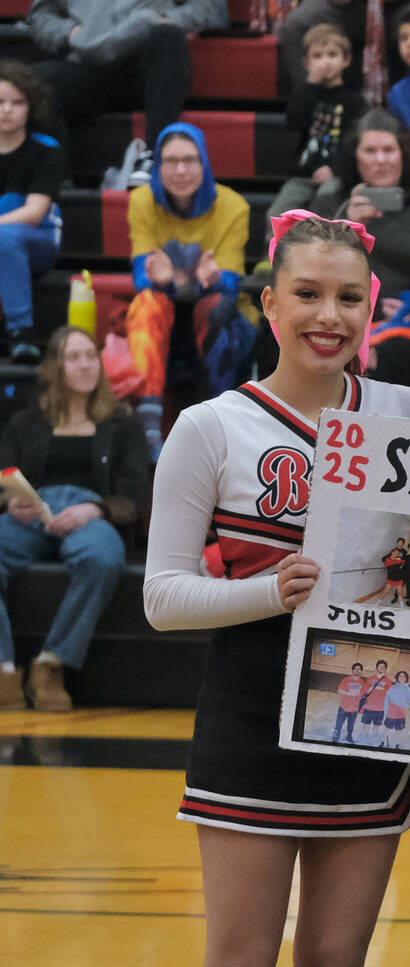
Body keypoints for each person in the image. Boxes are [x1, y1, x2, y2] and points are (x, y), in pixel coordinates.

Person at [139, 212, 410, 967]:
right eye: (307, 295)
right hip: (251, 725)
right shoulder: (212, 428)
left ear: (373, 310)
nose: (328, 316)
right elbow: (164, 596)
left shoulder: (403, 413)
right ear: (269, 304)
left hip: (376, 725)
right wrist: (269, 590)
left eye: (349, 299)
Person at [0, 324, 149, 712]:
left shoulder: (123, 423)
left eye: (91, 356)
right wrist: (9, 503)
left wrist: (95, 509)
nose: (85, 365)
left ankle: (52, 663)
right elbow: (4, 474)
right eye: (73, 357)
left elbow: (136, 493)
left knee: (103, 558)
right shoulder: (24, 422)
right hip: (31, 513)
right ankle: (3, 669)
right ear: (54, 368)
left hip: (91, 513)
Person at [310, 110, 410, 402]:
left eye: (388, 150)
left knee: (394, 356)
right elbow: (307, 266)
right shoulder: (332, 205)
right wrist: (347, 226)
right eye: (370, 151)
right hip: (337, 318)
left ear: (403, 155)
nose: (380, 160)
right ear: (355, 158)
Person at [125, 122, 253, 457]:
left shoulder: (233, 205)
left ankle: (220, 424)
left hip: (218, 320)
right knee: (147, 303)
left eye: (190, 160)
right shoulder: (141, 201)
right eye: (170, 161)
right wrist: (166, 281)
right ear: (158, 166)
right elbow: (143, 277)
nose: (180, 170)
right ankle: (150, 431)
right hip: (167, 318)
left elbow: (231, 282)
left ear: (205, 163)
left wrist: (205, 280)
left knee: (214, 306)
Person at [26, 0, 215, 153]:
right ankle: (53, 176)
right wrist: (68, 32)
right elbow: (40, 15)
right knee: (38, 80)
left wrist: (167, 20)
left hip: (148, 67)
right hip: (87, 65)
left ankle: (156, 156)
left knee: (168, 37)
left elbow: (203, 6)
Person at [0, 62, 66, 364]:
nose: (7, 110)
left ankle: (20, 332)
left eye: (17, 102)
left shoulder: (46, 149)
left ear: (30, 106)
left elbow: (35, 213)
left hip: (37, 240)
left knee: (5, 236)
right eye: (0, 102)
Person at [286, 25, 366, 195]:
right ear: (307, 63)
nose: (325, 61)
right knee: (279, 210)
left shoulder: (354, 100)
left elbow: (354, 143)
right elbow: (295, 122)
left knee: (325, 200)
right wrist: (311, 83)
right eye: (317, 56)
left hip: (337, 175)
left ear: (346, 59)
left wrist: (334, 168)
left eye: (332, 54)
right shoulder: (303, 94)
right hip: (303, 175)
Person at [331, 660, 367, 741]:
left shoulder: (362, 682)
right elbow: (339, 691)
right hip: (344, 707)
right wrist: (350, 693)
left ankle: (349, 737)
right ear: (352, 670)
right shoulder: (346, 680)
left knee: (351, 726)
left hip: (354, 709)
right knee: (338, 725)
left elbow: (364, 694)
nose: (357, 670)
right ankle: (335, 739)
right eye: (355, 668)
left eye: (359, 669)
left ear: (361, 671)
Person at [359, 656, 392, 735]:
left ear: (385, 669)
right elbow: (365, 691)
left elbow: (390, 696)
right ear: (376, 668)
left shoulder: (388, 681)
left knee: (376, 727)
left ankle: (373, 742)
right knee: (365, 726)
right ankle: (362, 741)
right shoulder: (370, 678)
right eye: (379, 666)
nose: (381, 668)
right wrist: (368, 690)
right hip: (369, 707)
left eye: (383, 667)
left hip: (380, 709)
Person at [384, 670, 410, 747]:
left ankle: (397, 745)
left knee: (398, 731)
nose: (402, 677)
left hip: (401, 714)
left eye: (404, 676)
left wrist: (403, 708)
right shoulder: (393, 687)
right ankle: (383, 742)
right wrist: (386, 711)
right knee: (387, 729)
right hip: (391, 713)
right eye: (400, 676)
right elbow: (387, 699)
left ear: (406, 678)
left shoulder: (409, 689)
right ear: (397, 678)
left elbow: (408, 701)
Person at [383, 537, 408, 602]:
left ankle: (395, 597)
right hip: (392, 570)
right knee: (389, 585)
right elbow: (388, 557)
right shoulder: (394, 550)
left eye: (402, 542)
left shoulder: (405, 552)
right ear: (397, 543)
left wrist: (402, 567)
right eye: (399, 542)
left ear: (403, 543)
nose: (400, 543)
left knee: (399, 585)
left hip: (399, 571)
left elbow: (405, 561)